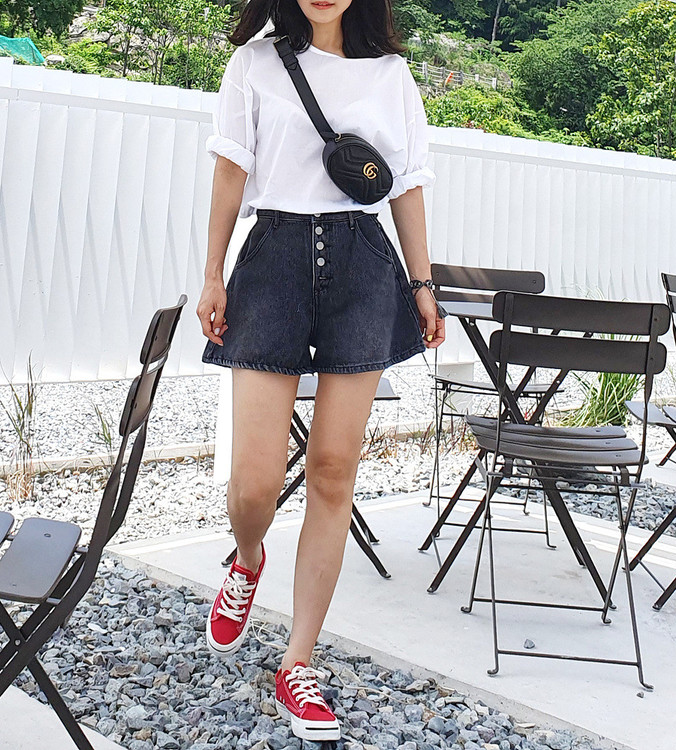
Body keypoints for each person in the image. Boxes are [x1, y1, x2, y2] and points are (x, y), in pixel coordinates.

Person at [196, 0, 445, 741]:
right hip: (271, 262)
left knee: (334, 472)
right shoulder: (255, 64)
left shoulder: (391, 75)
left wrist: (422, 285)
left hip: (362, 269)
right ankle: (248, 558)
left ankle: (298, 663)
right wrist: (211, 274)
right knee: (255, 482)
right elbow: (229, 175)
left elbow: (407, 185)